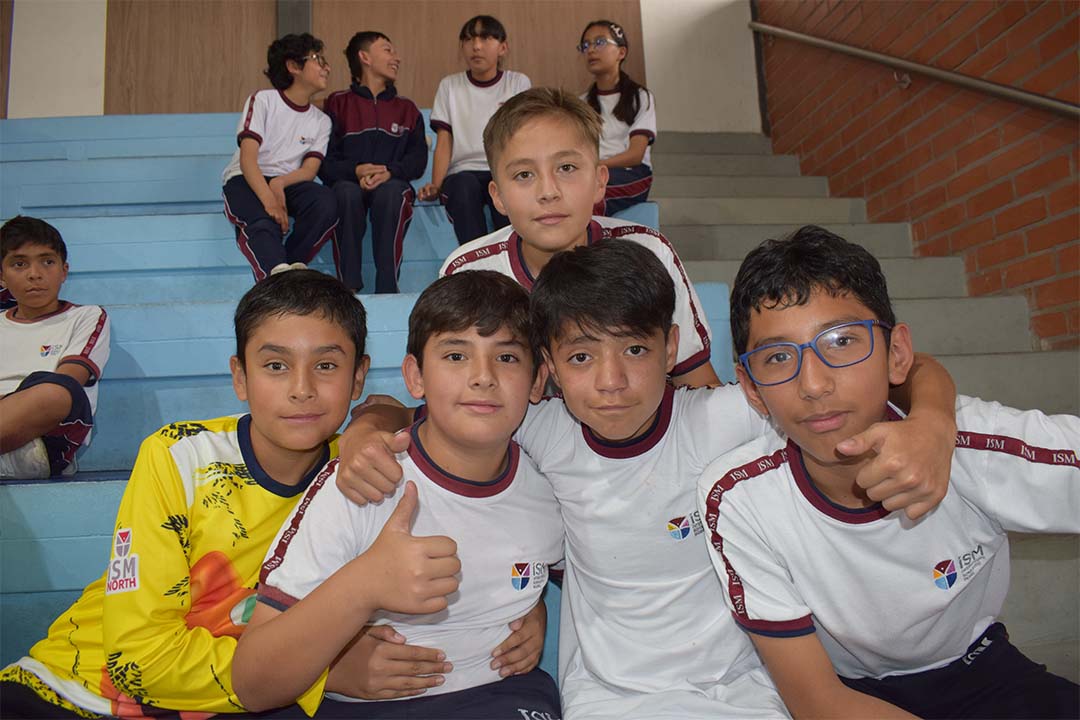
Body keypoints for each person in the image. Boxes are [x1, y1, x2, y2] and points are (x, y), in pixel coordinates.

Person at [336, 240, 960, 718]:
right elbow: (419, 410)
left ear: (670, 347)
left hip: (743, 686)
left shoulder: (727, 416)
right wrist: (369, 424)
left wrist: (933, 421)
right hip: (609, 695)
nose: (611, 382)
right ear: (548, 367)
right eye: (582, 356)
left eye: (634, 350)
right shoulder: (539, 426)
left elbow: (903, 368)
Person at [699, 226, 1080, 720]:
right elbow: (818, 701)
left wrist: (937, 419)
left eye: (841, 341)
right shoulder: (739, 496)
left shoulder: (970, 445)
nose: (813, 384)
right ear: (752, 390)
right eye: (777, 357)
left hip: (980, 670)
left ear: (896, 354)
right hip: (848, 694)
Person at [0, 270, 369, 717]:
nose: (302, 389)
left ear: (358, 378)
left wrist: (378, 417)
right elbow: (139, 660)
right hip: (70, 693)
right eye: (276, 365)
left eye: (326, 366)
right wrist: (317, 672)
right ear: (240, 377)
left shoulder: (361, 472)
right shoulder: (181, 456)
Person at [233, 270, 563, 719]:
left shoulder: (551, 486)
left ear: (538, 378)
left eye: (506, 357)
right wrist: (364, 586)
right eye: (456, 355)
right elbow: (253, 684)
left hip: (502, 695)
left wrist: (536, 605)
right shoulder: (363, 482)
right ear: (415, 376)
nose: (483, 377)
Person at [441, 86, 717, 388]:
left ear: (599, 182)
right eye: (524, 175)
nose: (548, 192)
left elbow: (697, 385)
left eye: (566, 168)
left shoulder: (649, 253)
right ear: (498, 196)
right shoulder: (468, 272)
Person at [0, 216, 110, 479]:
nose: (34, 274)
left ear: (64, 271)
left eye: (47, 262)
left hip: (45, 438)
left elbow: (69, 381)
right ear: (1, 277)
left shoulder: (86, 316)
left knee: (56, 391)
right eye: (19, 264)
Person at [222, 33, 338, 282]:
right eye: (318, 59)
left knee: (326, 202)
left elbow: (309, 171)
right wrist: (270, 201)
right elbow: (248, 159)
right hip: (247, 177)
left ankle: (291, 265)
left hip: (287, 182)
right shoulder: (264, 100)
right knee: (263, 222)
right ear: (293, 66)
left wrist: (279, 183)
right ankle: (275, 275)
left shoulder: (322, 121)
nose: (327, 68)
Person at [320, 31, 426, 293]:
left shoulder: (408, 109)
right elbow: (325, 161)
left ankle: (387, 288)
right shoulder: (337, 103)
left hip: (392, 183)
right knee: (345, 194)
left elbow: (418, 160)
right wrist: (355, 171)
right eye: (388, 50)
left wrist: (390, 171)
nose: (396, 58)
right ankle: (348, 288)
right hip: (349, 182)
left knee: (392, 194)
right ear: (365, 57)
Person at [419, 15, 530, 246]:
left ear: (503, 47)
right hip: (463, 173)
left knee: (508, 189)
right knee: (463, 187)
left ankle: (513, 258)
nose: (476, 46)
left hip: (503, 168)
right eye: (468, 39)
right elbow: (444, 141)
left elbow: (525, 137)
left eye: (485, 38)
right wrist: (436, 185)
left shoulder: (517, 83)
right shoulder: (450, 85)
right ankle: (476, 260)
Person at [578, 20, 655, 216]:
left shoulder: (640, 96)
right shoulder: (581, 103)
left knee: (589, 196)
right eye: (586, 45)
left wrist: (595, 166)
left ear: (621, 52)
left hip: (632, 172)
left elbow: (636, 154)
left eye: (600, 42)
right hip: (593, 171)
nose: (591, 50)